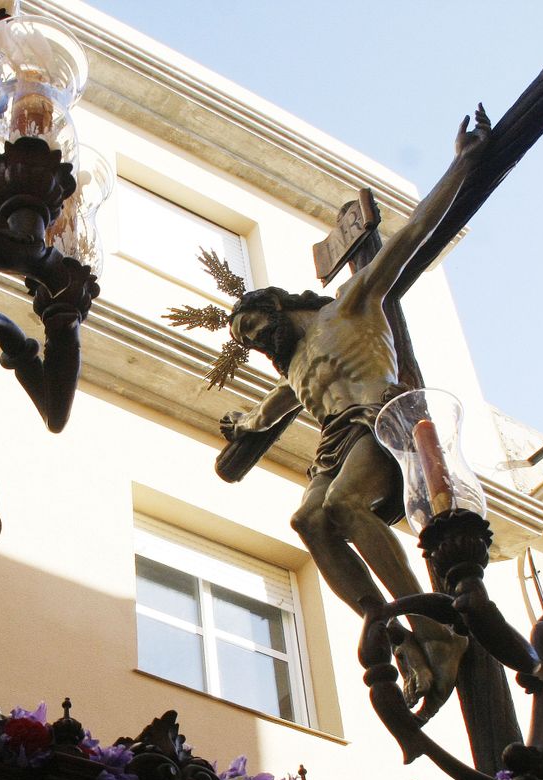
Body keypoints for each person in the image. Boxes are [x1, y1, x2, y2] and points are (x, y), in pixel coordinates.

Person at [219, 106, 492, 714]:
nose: (254, 343)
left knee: (342, 507)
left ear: (277, 304)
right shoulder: (291, 366)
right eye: (245, 342)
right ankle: (394, 633)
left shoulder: (349, 306)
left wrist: (463, 165)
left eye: (254, 327)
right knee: (309, 522)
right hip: (335, 442)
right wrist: (245, 426)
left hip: (384, 419)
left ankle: (434, 626)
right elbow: (272, 408)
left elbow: (413, 231)